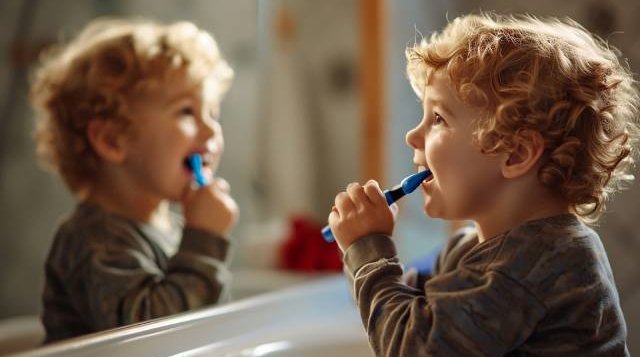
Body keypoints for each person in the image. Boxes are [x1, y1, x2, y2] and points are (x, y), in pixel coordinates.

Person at [327, 13, 639, 356]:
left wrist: (370, 253)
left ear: (516, 154)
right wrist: (378, 268)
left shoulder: (539, 263)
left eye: (438, 119)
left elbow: (414, 348)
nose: (413, 135)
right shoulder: (475, 249)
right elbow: (426, 316)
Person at [31, 18, 238, 343]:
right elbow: (152, 343)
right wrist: (204, 242)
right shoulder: (91, 241)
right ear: (113, 140)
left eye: (213, 112)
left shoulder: (166, 229)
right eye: (186, 111)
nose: (212, 131)